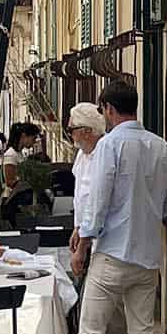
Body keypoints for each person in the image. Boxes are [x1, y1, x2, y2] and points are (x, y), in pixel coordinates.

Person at [74, 80, 167, 334]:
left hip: (112, 254)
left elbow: (97, 203)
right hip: (148, 258)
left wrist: (82, 245)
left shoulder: (109, 145)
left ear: (108, 109)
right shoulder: (163, 147)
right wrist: (148, 212)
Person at [67, 103, 105, 274]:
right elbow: (79, 194)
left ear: (87, 131)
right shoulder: (82, 154)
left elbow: (96, 199)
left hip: (102, 240)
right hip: (85, 234)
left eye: (72, 129)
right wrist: (77, 227)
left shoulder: (106, 153)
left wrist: (84, 240)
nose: (70, 135)